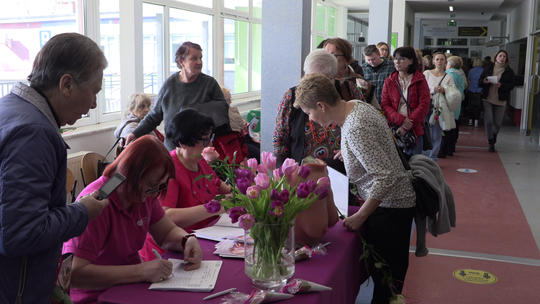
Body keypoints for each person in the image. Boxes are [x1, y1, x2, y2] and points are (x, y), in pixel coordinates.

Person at [0, 33, 109, 303]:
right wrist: (81, 212)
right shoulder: (33, 133)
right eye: (93, 92)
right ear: (67, 84)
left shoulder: (10, 109)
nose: (94, 104)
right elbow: (20, 234)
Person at [294, 73, 416, 304]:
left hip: (390, 208)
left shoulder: (356, 127)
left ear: (321, 105)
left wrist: (361, 215)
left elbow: (386, 176)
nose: (311, 119)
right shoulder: (354, 106)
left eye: (309, 113)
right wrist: (350, 153)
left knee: (387, 282)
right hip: (390, 203)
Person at [63, 135, 203, 303]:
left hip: (131, 289)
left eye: (161, 185)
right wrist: (140, 272)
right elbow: (74, 273)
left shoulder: (144, 194)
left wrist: (186, 240)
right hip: (98, 297)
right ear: (131, 175)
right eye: (152, 185)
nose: (156, 193)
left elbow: (166, 233)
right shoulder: (96, 203)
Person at [124, 42, 245, 164]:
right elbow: (154, 116)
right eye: (194, 58)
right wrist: (135, 133)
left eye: (200, 58)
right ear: (181, 62)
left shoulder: (209, 84)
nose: (200, 62)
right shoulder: (169, 85)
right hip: (174, 153)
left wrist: (193, 113)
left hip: (201, 155)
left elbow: (222, 113)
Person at [141, 109, 232, 261]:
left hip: (204, 239)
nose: (210, 144)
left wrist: (247, 192)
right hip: (172, 251)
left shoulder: (198, 160)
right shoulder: (169, 171)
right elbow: (166, 216)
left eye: (211, 137)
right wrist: (215, 207)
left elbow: (220, 186)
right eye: (204, 140)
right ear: (183, 143)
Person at [273, 49, 364, 174]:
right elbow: (280, 138)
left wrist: (350, 150)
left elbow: (363, 131)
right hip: (301, 173)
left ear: (331, 78)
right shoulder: (292, 96)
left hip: (342, 173)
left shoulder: (349, 91)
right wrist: (282, 172)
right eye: (306, 75)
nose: (306, 83)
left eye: (313, 79)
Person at [381, 46, 431, 156]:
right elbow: (385, 105)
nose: (397, 62)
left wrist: (407, 125)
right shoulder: (389, 81)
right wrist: (401, 120)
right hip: (394, 129)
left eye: (402, 58)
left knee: (415, 166)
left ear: (411, 61)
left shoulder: (420, 80)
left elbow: (424, 105)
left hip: (414, 130)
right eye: (395, 58)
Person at [478, 50, 516, 152]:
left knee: (498, 123)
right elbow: (480, 82)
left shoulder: (509, 71)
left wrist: (502, 85)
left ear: (506, 59)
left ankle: (494, 134)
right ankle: (490, 142)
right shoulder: (488, 68)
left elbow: (512, 85)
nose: (502, 58)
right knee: (489, 120)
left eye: (504, 56)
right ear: (496, 57)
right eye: (500, 56)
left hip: (500, 99)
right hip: (487, 98)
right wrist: (485, 82)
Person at [421, 52, 456, 161]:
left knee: (436, 134)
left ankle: (433, 158)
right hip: (426, 105)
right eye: (437, 59)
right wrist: (433, 89)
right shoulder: (426, 73)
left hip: (440, 107)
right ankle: (424, 157)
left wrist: (444, 90)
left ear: (445, 61)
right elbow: (420, 88)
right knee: (425, 132)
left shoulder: (449, 77)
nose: (439, 61)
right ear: (433, 61)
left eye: (441, 59)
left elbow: (453, 92)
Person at [221, 86, 258, 163]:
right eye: (228, 100)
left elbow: (241, 123)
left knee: (262, 150)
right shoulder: (221, 115)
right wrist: (241, 125)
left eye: (230, 99)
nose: (230, 102)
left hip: (246, 137)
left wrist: (248, 125)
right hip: (240, 141)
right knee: (258, 154)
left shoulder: (232, 110)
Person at [441, 56, 467, 157]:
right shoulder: (460, 74)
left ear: (450, 65)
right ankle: (452, 147)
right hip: (457, 103)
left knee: (448, 126)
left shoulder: (449, 75)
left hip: (449, 102)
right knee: (454, 125)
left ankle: (446, 149)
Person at [467, 57, 484, 127]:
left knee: (471, 105)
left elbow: (469, 81)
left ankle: (470, 120)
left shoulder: (471, 71)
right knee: (478, 106)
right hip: (480, 90)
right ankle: (476, 121)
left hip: (471, 90)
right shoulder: (483, 70)